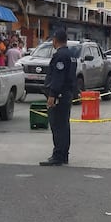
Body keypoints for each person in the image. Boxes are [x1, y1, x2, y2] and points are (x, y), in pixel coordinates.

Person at [40, 25, 76, 166]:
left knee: (58, 126)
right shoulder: (71, 55)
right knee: (64, 126)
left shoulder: (60, 56)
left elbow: (58, 77)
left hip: (59, 96)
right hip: (67, 94)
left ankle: (58, 156)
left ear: (55, 40)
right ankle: (63, 154)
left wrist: (52, 95)